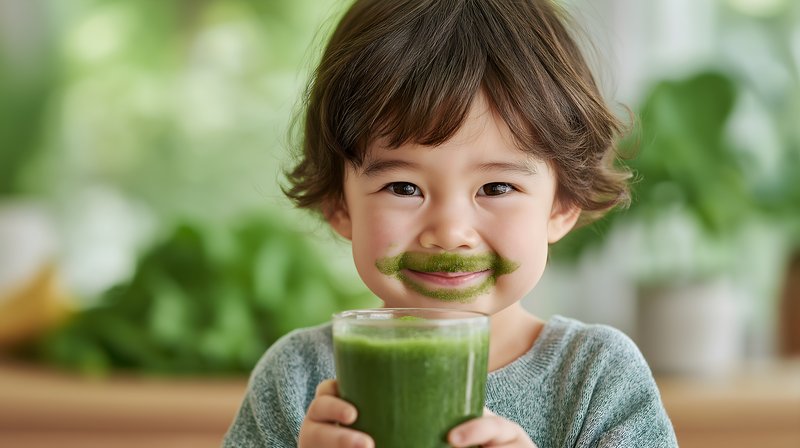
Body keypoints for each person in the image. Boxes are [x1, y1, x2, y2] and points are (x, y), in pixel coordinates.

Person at [224, 0, 677, 446]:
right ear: (339, 205)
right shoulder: (295, 377)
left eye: (496, 188)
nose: (449, 232)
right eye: (404, 188)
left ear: (561, 205)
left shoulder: (598, 377)